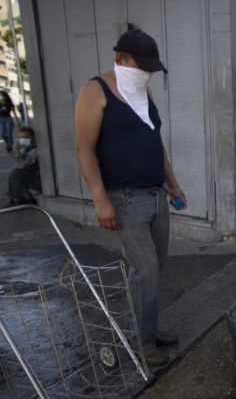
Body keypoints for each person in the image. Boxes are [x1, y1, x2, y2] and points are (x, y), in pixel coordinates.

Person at [75, 29, 187, 367]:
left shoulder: (145, 92)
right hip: (124, 198)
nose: (146, 74)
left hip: (155, 196)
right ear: (120, 59)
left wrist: (173, 184)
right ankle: (142, 344)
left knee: (154, 269)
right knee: (146, 269)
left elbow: (156, 143)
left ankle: (146, 329)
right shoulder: (95, 90)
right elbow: (83, 148)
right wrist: (99, 198)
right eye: (141, 66)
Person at [6, 127, 40, 206]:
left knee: (16, 173)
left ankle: (18, 199)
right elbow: (18, 163)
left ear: (33, 137)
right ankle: (21, 197)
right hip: (31, 175)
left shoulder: (36, 150)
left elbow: (21, 165)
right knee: (13, 173)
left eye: (25, 138)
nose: (22, 140)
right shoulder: (26, 147)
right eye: (20, 137)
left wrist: (16, 151)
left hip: (40, 179)